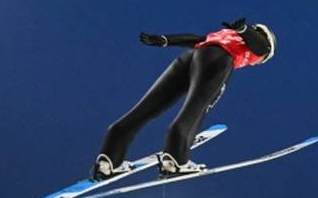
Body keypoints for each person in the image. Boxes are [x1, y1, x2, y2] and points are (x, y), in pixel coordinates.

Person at [91, 18, 275, 180]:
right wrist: (244, 30)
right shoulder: (258, 46)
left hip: (191, 56)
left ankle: (109, 160)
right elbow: (263, 46)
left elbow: (195, 39)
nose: (258, 62)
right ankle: (175, 160)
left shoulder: (226, 35)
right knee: (196, 109)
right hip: (216, 60)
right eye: (262, 61)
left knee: (148, 107)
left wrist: (166, 40)